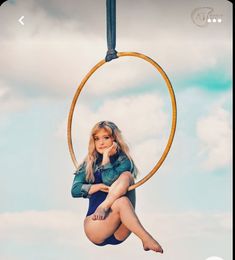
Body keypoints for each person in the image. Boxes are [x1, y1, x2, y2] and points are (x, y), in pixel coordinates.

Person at [71, 121, 163, 253]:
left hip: (121, 227)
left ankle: (104, 206)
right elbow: (74, 190)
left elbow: (109, 180)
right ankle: (146, 238)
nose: (101, 142)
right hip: (95, 224)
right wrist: (96, 187)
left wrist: (106, 158)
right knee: (122, 201)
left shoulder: (124, 161)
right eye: (97, 139)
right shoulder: (88, 164)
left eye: (106, 138)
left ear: (115, 138)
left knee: (127, 177)